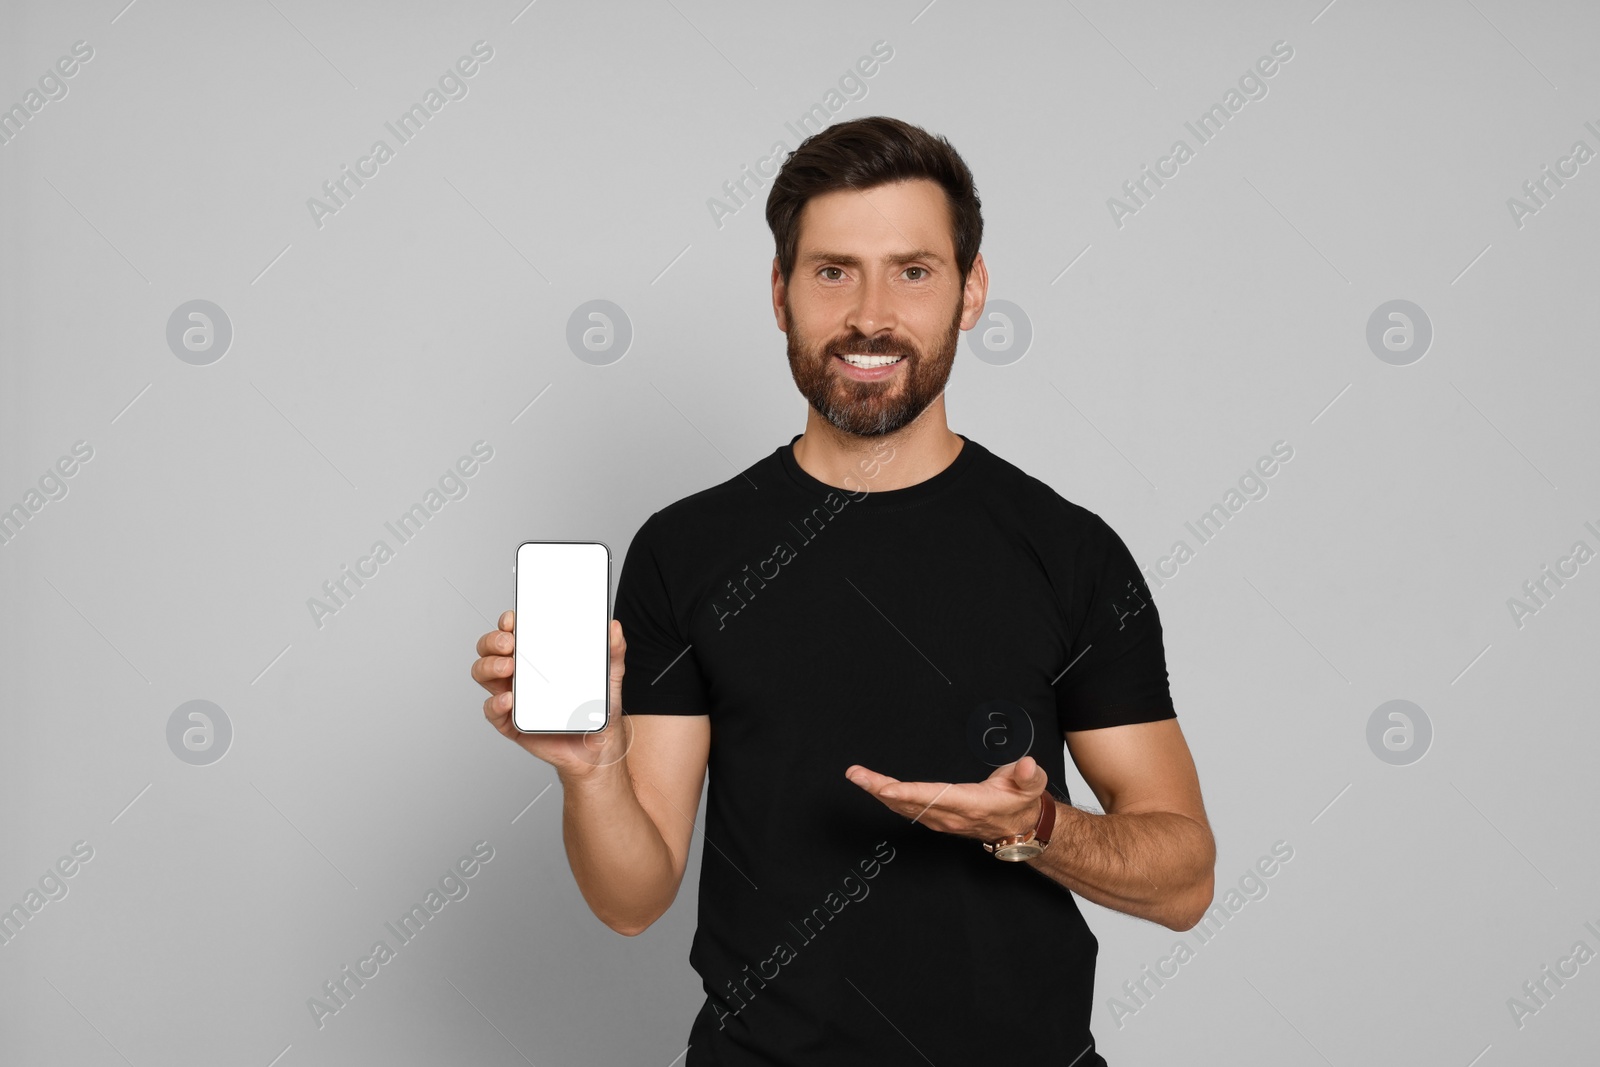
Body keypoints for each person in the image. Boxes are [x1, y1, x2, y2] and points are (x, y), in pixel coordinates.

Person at [471, 115, 1215, 1065]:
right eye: (833, 271)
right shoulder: (685, 549)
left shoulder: (1069, 552)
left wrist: (1038, 827)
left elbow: (1184, 879)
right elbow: (631, 900)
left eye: (913, 270)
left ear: (971, 290)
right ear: (780, 295)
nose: (871, 314)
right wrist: (591, 771)